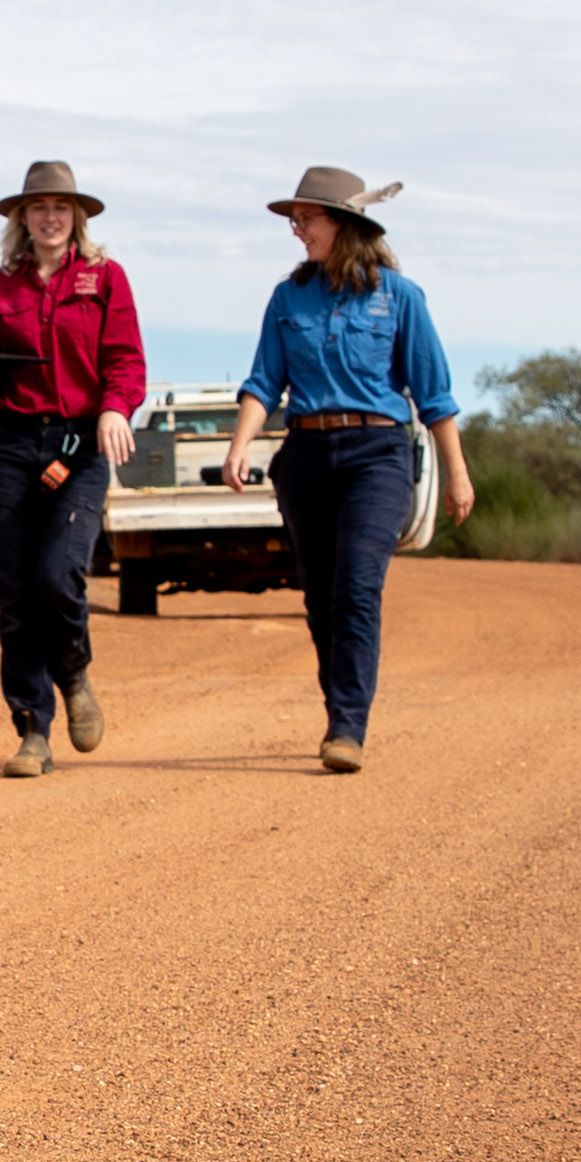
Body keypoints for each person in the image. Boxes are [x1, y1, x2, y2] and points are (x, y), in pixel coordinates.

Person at [221, 166, 472, 773]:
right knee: (320, 595)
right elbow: (264, 381)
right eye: (294, 220)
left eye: (306, 219)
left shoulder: (400, 298)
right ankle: (341, 706)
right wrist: (240, 444)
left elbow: (433, 394)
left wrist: (457, 474)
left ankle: (347, 727)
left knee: (357, 586)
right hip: (306, 458)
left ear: (344, 224)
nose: (297, 230)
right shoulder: (288, 297)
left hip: (378, 456)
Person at [0, 160, 147, 778]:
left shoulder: (106, 279)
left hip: (81, 444)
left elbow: (127, 359)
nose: (50, 217)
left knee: (58, 575)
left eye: (61, 207)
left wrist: (114, 409)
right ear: (21, 218)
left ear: (76, 216)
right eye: (38, 207)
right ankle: (32, 731)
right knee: (16, 593)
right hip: (12, 443)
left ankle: (73, 674)